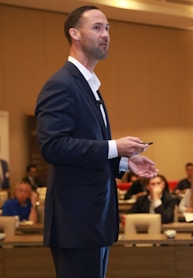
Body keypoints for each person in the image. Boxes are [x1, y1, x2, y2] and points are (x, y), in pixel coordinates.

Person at [35, 6, 158, 278]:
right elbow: (53, 146)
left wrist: (125, 161)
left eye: (108, 28)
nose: (106, 35)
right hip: (75, 224)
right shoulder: (62, 84)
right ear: (74, 34)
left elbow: (86, 148)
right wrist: (115, 147)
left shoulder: (88, 85)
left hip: (92, 223)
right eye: (98, 27)